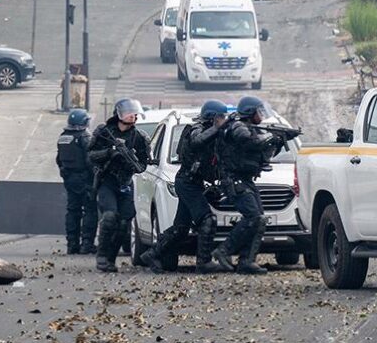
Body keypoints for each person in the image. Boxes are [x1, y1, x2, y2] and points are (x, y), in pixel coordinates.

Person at [140, 100, 229, 274]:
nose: (223, 120)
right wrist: (217, 129)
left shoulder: (215, 136)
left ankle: (152, 254)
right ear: (212, 117)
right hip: (187, 183)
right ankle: (204, 262)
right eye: (221, 117)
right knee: (207, 219)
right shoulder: (195, 130)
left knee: (181, 229)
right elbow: (197, 142)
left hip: (193, 183)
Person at [211, 97, 285, 275]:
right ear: (251, 112)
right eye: (259, 112)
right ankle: (223, 250)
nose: (261, 115)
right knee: (253, 217)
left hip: (245, 179)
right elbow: (251, 142)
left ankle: (247, 260)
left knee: (259, 220)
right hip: (234, 180)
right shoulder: (238, 127)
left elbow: (264, 153)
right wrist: (270, 137)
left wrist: (279, 141)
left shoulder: (250, 128)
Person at [88, 99, 150, 273]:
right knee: (109, 217)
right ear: (120, 114)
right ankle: (101, 256)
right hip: (107, 181)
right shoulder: (104, 131)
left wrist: (131, 162)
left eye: (135, 114)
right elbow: (91, 155)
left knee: (124, 223)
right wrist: (109, 153)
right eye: (130, 114)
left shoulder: (139, 137)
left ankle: (110, 259)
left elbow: (143, 164)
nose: (133, 117)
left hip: (126, 183)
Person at [56, 109, 98, 255]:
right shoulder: (84, 137)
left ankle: (72, 244)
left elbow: (58, 160)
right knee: (90, 210)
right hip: (85, 178)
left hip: (69, 179)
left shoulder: (63, 137)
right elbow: (90, 160)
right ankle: (87, 244)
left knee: (73, 210)